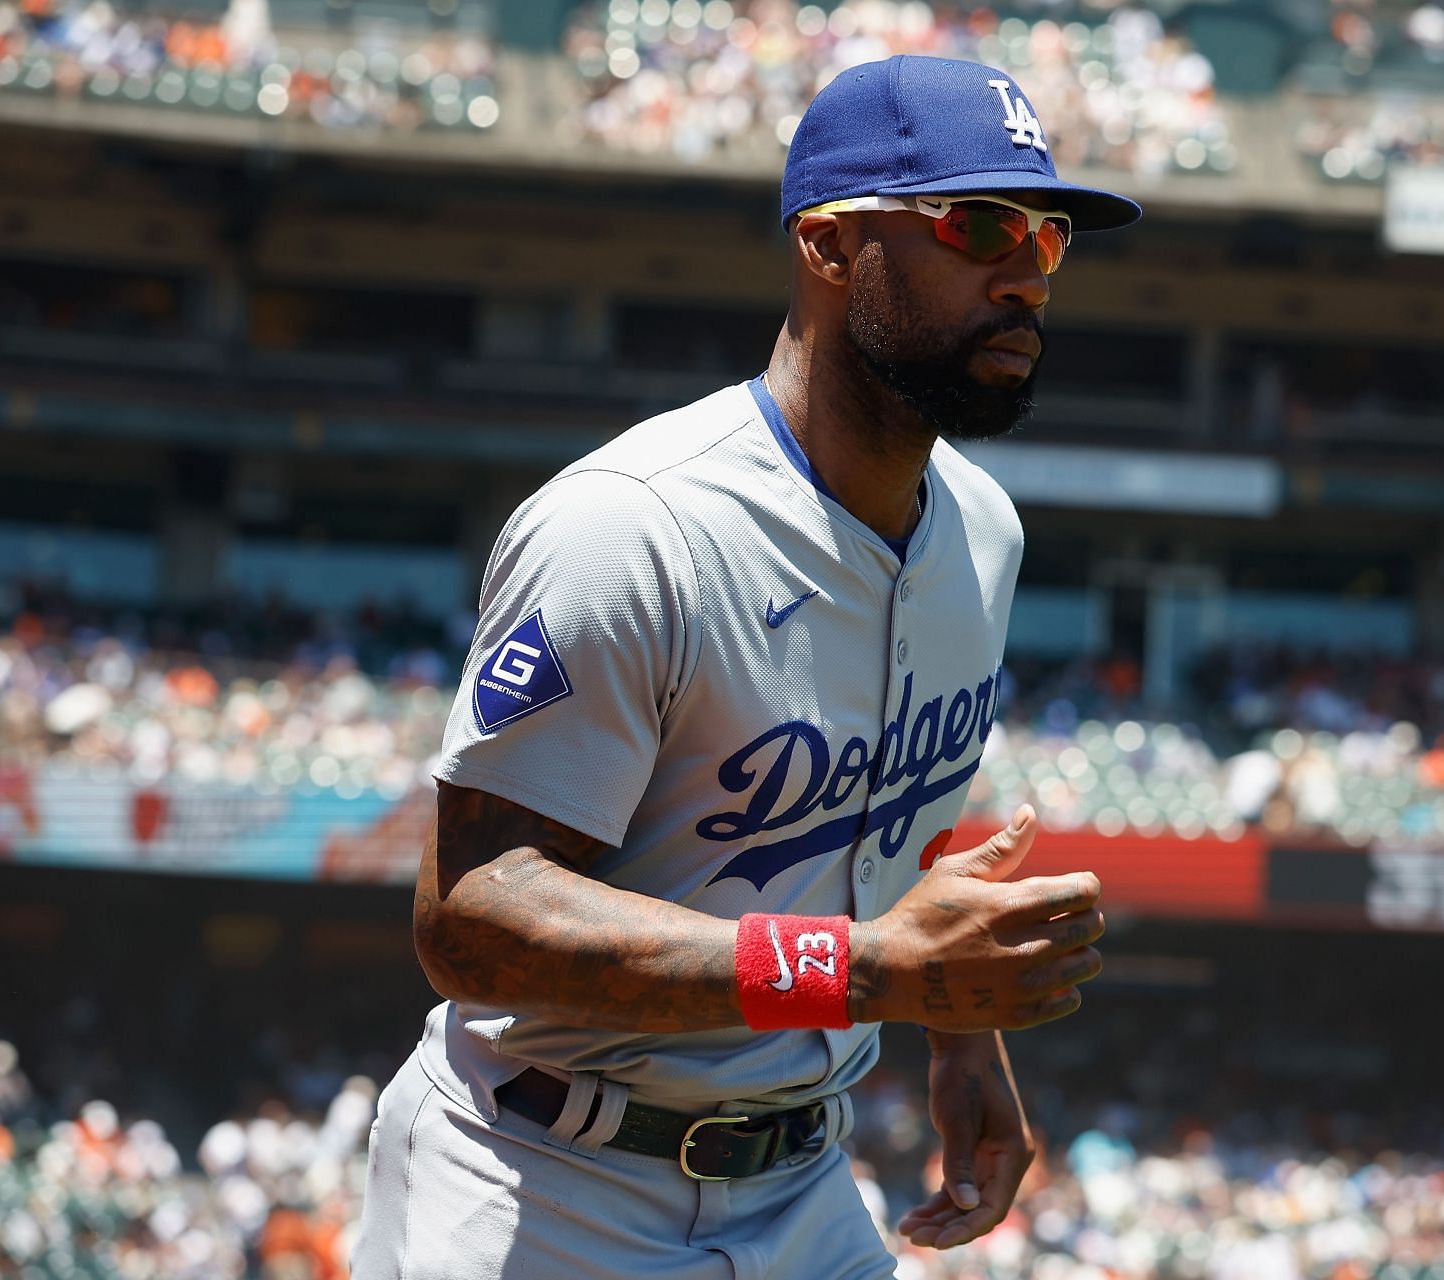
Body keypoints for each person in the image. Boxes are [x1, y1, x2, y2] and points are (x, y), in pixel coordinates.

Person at [353, 55, 1141, 1278]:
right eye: (977, 223)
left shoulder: (985, 530)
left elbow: (886, 825)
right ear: (829, 247)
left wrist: (956, 1021)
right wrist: (875, 969)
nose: (1026, 272)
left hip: (805, 1188)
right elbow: (469, 916)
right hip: (541, 1178)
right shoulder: (633, 525)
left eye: (1047, 236)